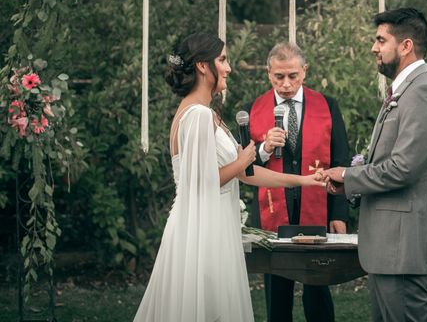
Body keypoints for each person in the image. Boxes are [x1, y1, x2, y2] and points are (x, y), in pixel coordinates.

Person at [133, 33, 324, 322]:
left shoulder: (204, 114)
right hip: (201, 233)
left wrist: (304, 181)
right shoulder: (197, 115)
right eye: (222, 60)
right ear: (201, 66)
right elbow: (200, 183)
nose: (229, 68)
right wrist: (245, 157)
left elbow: (246, 175)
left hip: (211, 226)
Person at [322, 8, 427, 322]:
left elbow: (402, 168)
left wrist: (347, 174)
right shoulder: (405, 90)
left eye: (381, 40)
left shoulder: (424, 92)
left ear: (406, 45)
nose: (374, 48)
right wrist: (348, 185)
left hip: (404, 249)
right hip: (389, 250)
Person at [245, 42, 350, 322]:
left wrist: (339, 212)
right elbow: (243, 169)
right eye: (279, 77)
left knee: (318, 290)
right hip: (272, 215)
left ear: (304, 71)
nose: (286, 84)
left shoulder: (327, 105)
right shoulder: (252, 110)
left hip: (317, 210)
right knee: (277, 297)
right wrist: (264, 148)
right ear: (269, 74)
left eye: (293, 75)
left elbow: (342, 162)